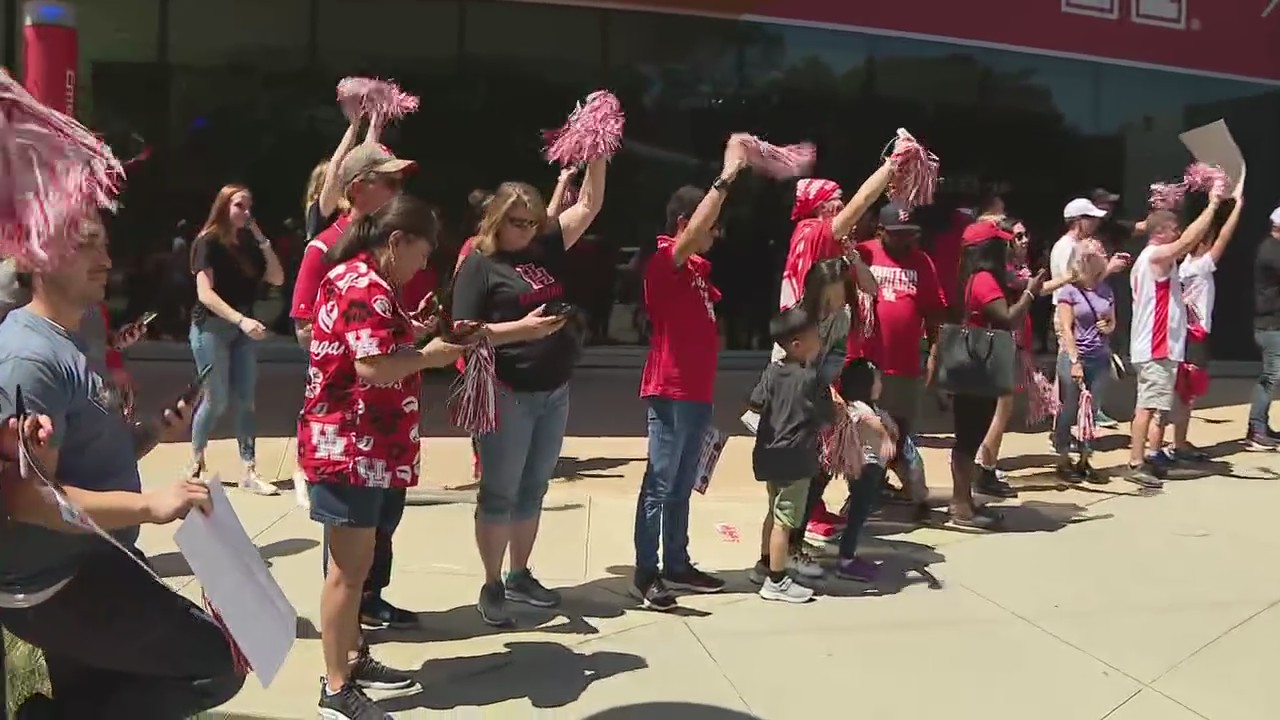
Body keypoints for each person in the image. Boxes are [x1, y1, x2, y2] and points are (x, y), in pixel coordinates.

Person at [0, 213, 245, 719]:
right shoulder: (28, 358)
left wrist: (155, 430)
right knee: (219, 663)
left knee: (101, 693)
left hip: (89, 559)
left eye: (106, 245)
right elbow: (24, 495)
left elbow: (89, 458)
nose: (107, 260)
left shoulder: (79, 334)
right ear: (38, 259)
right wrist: (150, 504)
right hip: (52, 582)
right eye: (89, 245)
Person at [300, 195, 472, 720]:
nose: (425, 265)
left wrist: (415, 333)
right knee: (348, 572)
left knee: (357, 563)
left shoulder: (369, 283)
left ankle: (352, 656)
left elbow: (369, 349)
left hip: (366, 446)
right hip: (350, 444)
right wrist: (430, 355)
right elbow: (373, 368)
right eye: (422, 252)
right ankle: (335, 687)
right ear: (395, 241)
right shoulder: (364, 285)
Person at [451, 157, 607, 627]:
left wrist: (598, 151)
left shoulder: (543, 247)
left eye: (533, 222)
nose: (527, 231)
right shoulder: (479, 263)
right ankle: (492, 581)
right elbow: (460, 333)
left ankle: (520, 573)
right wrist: (522, 329)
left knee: (534, 488)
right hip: (506, 391)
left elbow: (590, 203)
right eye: (518, 223)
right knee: (499, 491)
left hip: (553, 388)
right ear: (498, 219)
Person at [291, 141, 420, 631]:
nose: (397, 190)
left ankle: (370, 602)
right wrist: (370, 351)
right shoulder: (327, 247)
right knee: (349, 541)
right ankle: (347, 633)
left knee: (383, 521)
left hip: (386, 425)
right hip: (348, 427)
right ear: (358, 188)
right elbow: (308, 327)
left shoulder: (389, 244)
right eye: (390, 181)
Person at [632, 137, 747, 611]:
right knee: (659, 482)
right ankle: (648, 571)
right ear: (687, 224)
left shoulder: (696, 271)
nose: (716, 235)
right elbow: (692, 234)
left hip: (696, 393)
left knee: (681, 483)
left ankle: (676, 563)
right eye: (711, 226)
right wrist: (728, 175)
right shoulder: (665, 260)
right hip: (672, 391)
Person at [187, 184, 285, 494]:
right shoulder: (207, 242)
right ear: (223, 207)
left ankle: (249, 469)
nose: (245, 212)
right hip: (211, 329)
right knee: (216, 400)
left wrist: (261, 238)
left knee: (246, 399)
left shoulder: (248, 245)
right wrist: (241, 321)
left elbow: (277, 277)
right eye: (238, 205)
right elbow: (205, 294)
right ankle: (196, 461)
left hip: (243, 331)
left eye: (248, 206)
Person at [951, 221, 1045, 529]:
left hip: (974, 362)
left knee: (969, 434)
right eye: (1000, 243)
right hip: (980, 364)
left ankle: (963, 501)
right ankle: (962, 505)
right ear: (988, 249)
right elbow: (1006, 319)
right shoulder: (984, 281)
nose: (1007, 247)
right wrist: (1030, 294)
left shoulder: (973, 277)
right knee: (969, 436)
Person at [1126, 195, 1223, 488]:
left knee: (1156, 406)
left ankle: (1148, 457)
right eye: (1173, 229)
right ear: (1159, 233)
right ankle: (1135, 462)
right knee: (1146, 407)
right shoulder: (1154, 257)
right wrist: (1213, 206)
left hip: (1162, 347)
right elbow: (1186, 243)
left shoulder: (1154, 258)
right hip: (1154, 347)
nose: (1179, 235)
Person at [856, 203, 953, 491]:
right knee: (866, 431)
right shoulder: (864, 254)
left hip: (907, 365)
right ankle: (865, 491)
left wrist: (935, 353)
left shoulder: (922, 262)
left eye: (909, 234)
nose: (904, 240)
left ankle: (889, 485)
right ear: (880, 231)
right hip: (867, 364)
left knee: (901, 430)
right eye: (897, 234)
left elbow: (934, 313)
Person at [1150, 182, 1244, 462]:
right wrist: (1237, 207)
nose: (1213, 241)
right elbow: (1225, 238)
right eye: (1209, 238)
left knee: (1182, 391)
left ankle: (1177, 441)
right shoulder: (1201, 266)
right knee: (1186, 393)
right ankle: (1175, 444)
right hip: (1196, 334)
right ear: (1203, 242)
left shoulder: (1181, 266)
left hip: (1184, 332)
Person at [746, 304, 832, 603]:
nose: (819, 341)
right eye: (815, 337)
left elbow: (755, 403)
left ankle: (764, 564)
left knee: (774, 511)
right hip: (796, 458)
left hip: (769, 453)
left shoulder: (772, 371)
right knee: (786, 520)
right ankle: (777, 581)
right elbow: (826, 416)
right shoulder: (809, 379)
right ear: (797, 345)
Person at [782, 258, 860, 553]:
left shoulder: (843, 316)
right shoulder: (798, 318)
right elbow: (788, 366)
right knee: (790, 483)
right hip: (790, 401)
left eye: (843, 289)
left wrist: (830, 389)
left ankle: (796, 542)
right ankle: (781, 552)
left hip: (820, 396)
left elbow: (836, 356)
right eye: (835, 289)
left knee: (822, 468)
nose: (839, 296)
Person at [1053, 239, 1116, 482]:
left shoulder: (1106, 290)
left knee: (1091, 409)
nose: (1093, 262)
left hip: (1099, 356)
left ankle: (1085, 457)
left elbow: (1112, 323)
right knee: (1068, 409)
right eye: (1089, 258)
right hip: (1074, 355)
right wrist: (1074, 360)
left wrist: (1107, 326)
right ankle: (1062, 457)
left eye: (1097, 258)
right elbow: (1067, 329)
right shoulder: (1069, 291)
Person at [1249, 204, 1280, 450]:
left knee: (1272, 374)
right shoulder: (1271, 251)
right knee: (1271, 375)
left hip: (1273, 323)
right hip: (1270, 325)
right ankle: (1256, 429)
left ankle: (1261, 425)